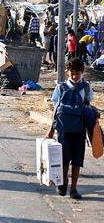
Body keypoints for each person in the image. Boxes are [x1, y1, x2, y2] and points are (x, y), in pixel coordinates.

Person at [46, 58, 99, 200]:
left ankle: (74, 189)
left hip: (80, 130)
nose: (75, 77)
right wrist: (51, 129)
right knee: (64, 159)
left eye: (78, 74)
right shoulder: (60, 87)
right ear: (68, 72)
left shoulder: (86, 88)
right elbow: (55, 110)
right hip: (63, 130)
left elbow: (87, 105)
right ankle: (63, 182)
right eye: (72, 73)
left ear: (82, 73)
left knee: (77, 161)